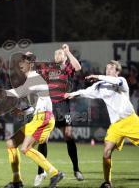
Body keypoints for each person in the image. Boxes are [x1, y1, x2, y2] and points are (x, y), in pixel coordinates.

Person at [65, 60, 139, 188]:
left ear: (117, 72)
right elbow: (86, 91)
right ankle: (107, 182)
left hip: (130, 121)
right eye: (107, 68)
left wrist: (98, 76)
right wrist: (72, 94)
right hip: (116, 125)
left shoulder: (121, 81)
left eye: (112, 68)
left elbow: (115, 81)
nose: (108, 70)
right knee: (106, 152)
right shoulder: (100, 86)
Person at [3, 52, 64, 188]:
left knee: (25, 148)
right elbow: (34, 106)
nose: (20, 64)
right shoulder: (32, 80)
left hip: (43, 118)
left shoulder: (34, 78)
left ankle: (55, 173)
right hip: (39, 117)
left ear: (30, 64)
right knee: (11, 143)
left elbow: (18, 93)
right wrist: (22, 111)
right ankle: (17, 181)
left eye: (23, 61)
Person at [34, 44, 84, 186]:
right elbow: (35, 71)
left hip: (62, 105)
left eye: (60, 54)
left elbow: (78, 67)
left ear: (64, 56)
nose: (58, 55)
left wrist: (67, 51)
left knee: (68, 135)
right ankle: (40, 172)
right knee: (43, 139)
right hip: (49, 106)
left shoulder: (67, 68)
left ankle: (76, 169)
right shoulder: (49, 69)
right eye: (57, 54)